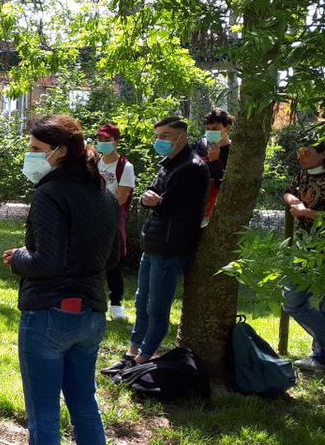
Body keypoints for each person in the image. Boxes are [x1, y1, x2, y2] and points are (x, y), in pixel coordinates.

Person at [0, 115, 118, 445]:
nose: (30, 156)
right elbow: (114, 256)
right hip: (90, 315)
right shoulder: (101, 192)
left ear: (60, 153)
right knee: (85, 406)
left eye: (35, 150)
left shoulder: (50, 194)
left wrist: (17, 258)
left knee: (44, 414)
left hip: (49, 314)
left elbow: (46, 261)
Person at [103, 117, 210, 374]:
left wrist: (156, 201)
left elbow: (171, 206)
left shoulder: (193, 167)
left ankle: (143, 358)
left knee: (156, 306)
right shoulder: (167, 164)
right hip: (153, 242)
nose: (159, 141)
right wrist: (149, 198)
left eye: (165, 136)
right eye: (158, 136)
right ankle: (132, 352)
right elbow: (149, 195)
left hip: (171, 246)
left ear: (181, 137)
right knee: (141, 301)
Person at [283, 137, 325, 373]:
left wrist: (307, 213)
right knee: (293, 301)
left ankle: (320, 358)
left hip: (322, 247)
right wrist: (296, 203)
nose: (300, 156)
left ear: (322, 155)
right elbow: (288, 193)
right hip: (304, 247)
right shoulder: (304, 174)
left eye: (306, 152)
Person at [93, 124, 136, 322]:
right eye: (100, 140)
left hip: (112, 217)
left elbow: (122, 197)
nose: (103, 143)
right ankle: (92, 299)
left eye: (107, 140)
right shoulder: (94, 163)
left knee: (112, 260)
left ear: (116, 141)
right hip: (92, 216)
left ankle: (116, 303)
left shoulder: (125, 167)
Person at [192, 107, 233, 220]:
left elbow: (228, 185)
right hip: (194, 205)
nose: (210, 132)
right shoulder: (201, 145)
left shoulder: (235, 152)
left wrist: (215, 162)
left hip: (217, 211)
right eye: (207, 129)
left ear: (227, 128)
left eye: (215, 128)